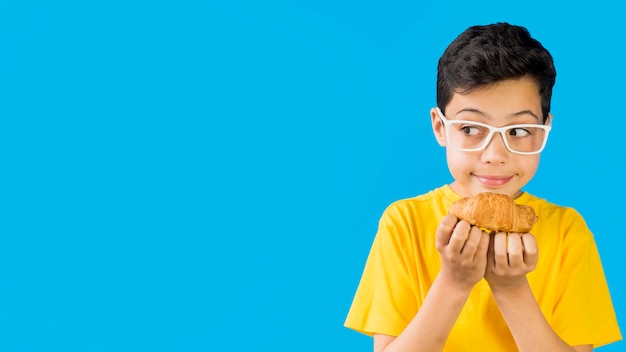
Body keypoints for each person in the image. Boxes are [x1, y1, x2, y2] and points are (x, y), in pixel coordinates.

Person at [344, 22, 622, 352]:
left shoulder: (566, 232)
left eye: (518, 131)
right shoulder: (403, 224)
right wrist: (453, 282)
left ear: (544, 131)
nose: (494, 155)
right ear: (440, 127)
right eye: (471, 128)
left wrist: (512, 289)